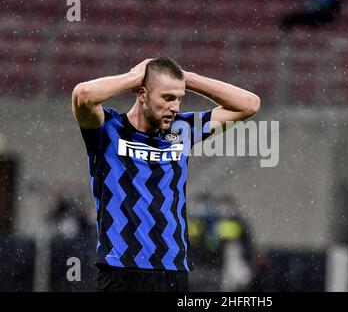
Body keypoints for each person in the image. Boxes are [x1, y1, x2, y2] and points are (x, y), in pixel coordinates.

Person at [71, 57, 260, 292]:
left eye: (180, 98)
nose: (176, 107)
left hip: (173, 270)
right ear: (141, 94)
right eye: (168, 98)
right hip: (120, 268)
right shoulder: (108, 128)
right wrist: (133, 77)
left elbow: (249, 104)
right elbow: (83, 95)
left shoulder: (182, 129)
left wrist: (186, 78)